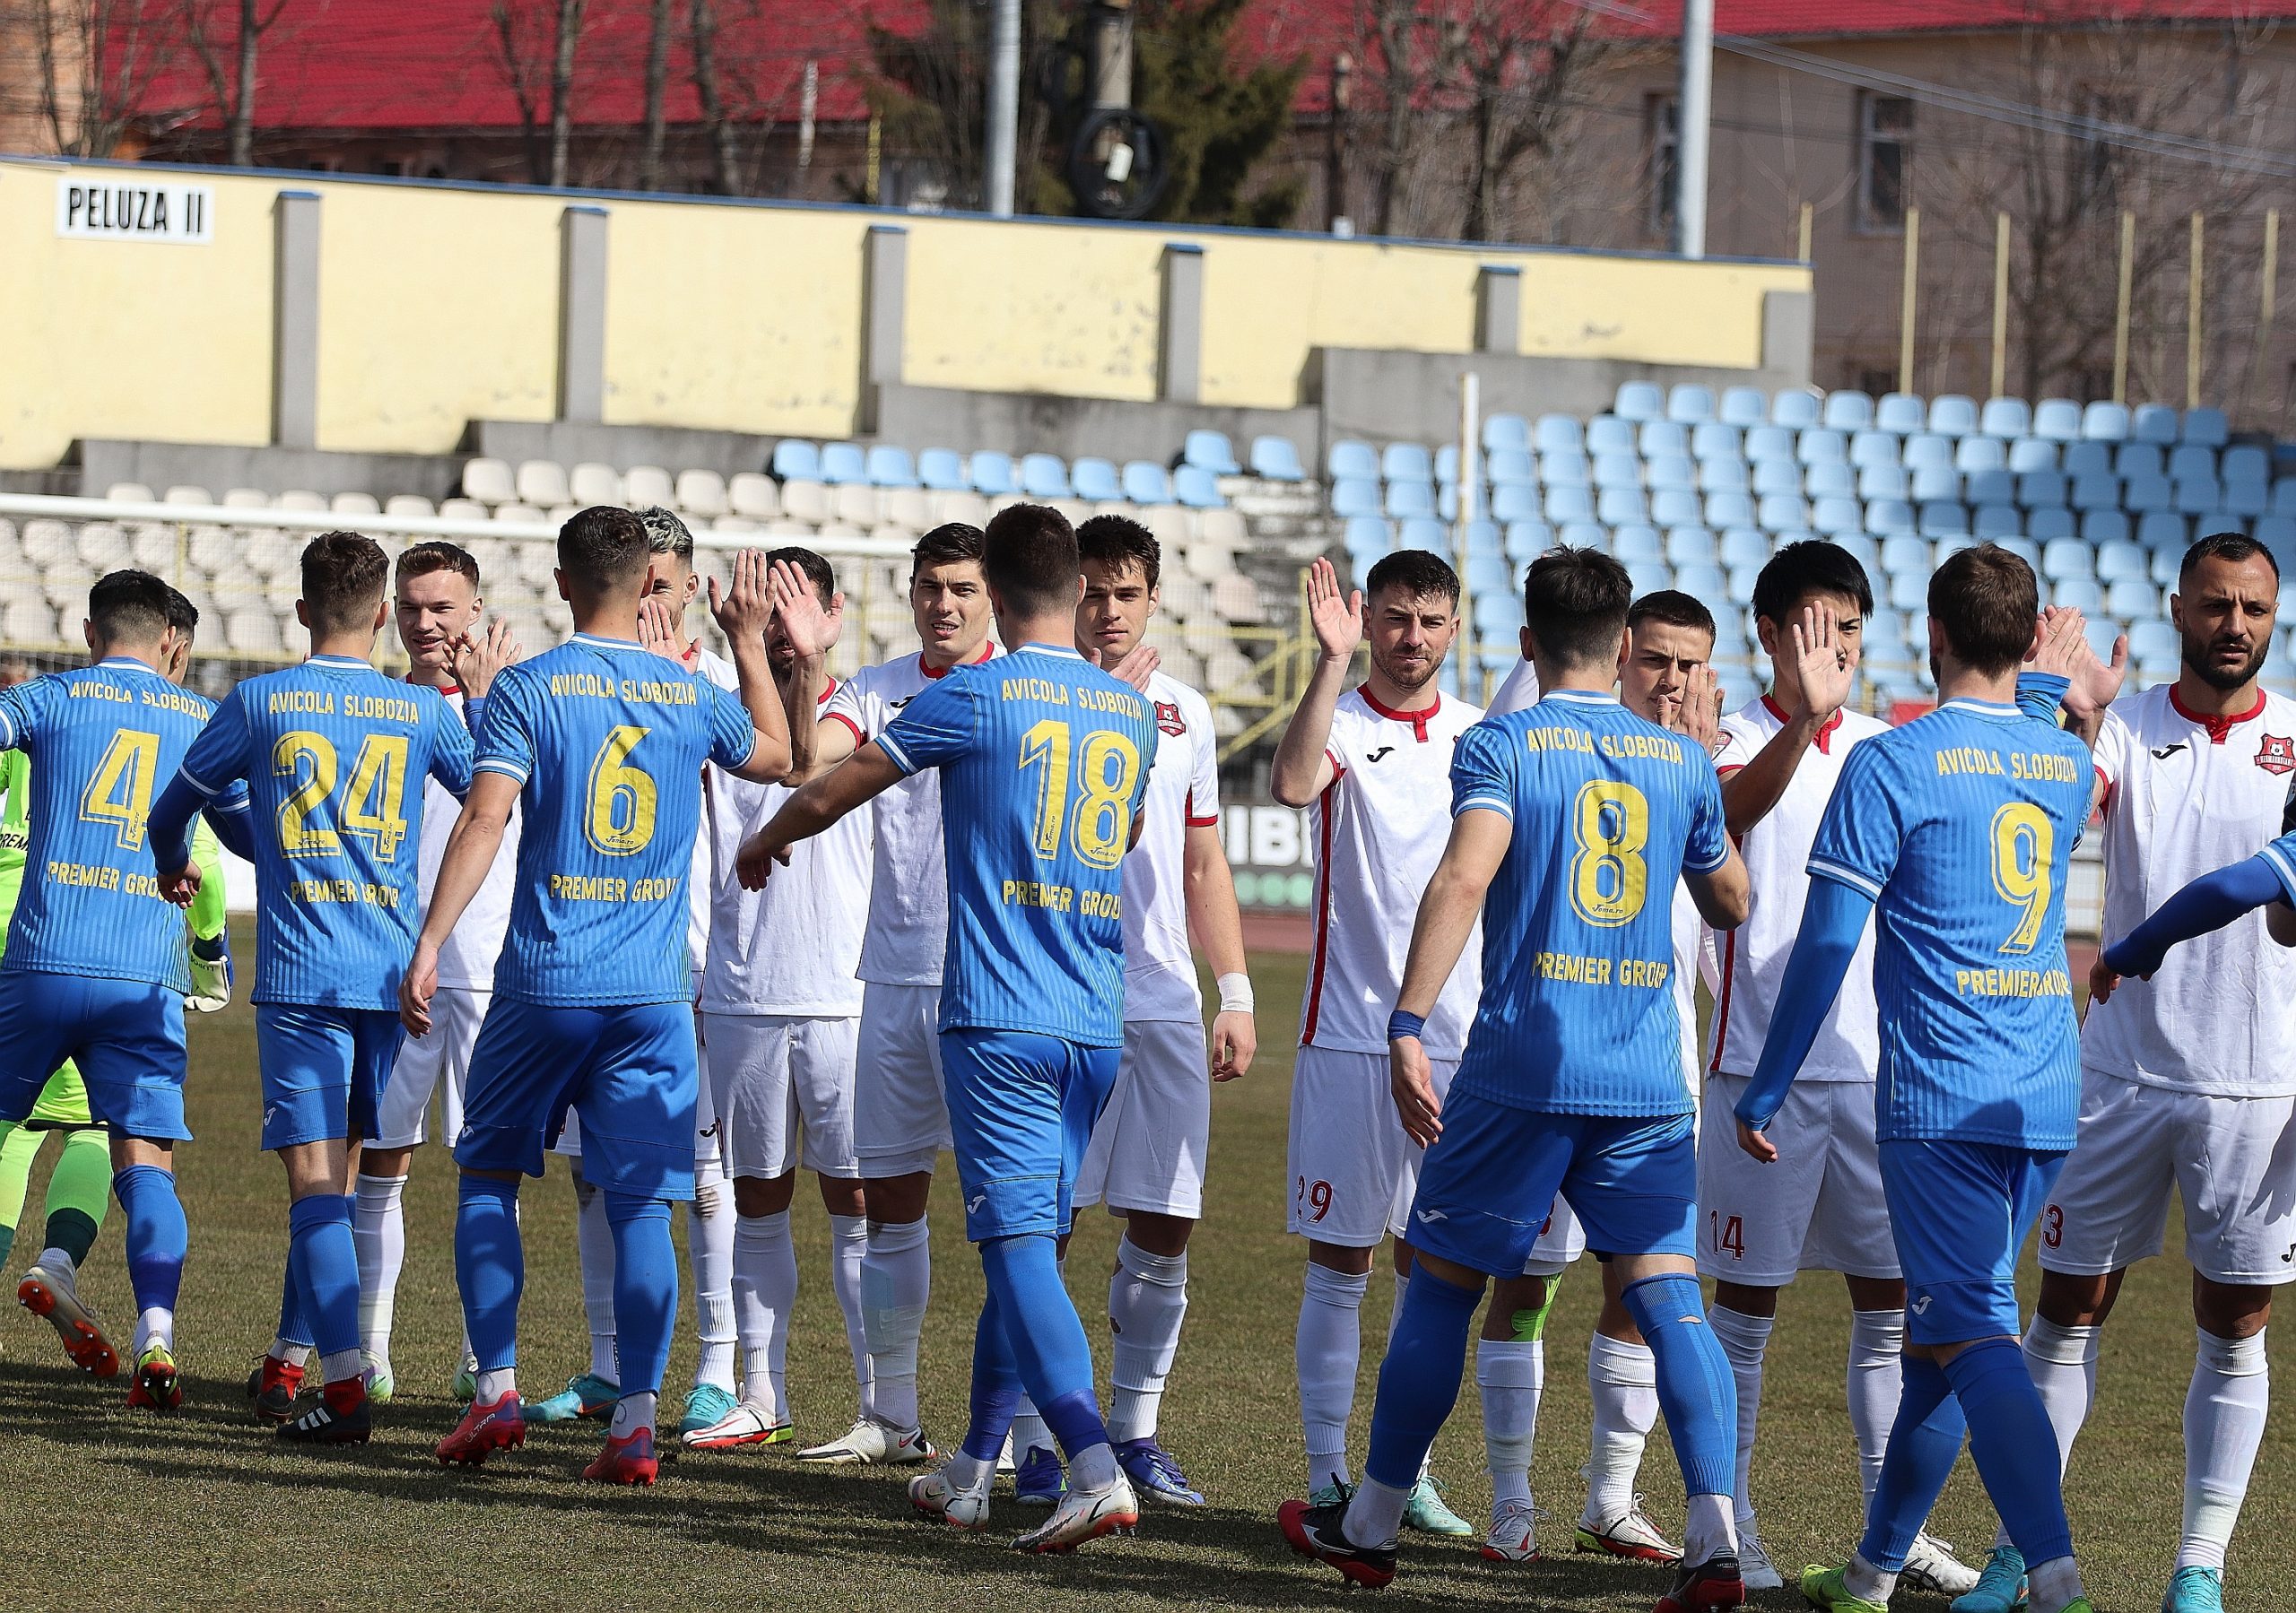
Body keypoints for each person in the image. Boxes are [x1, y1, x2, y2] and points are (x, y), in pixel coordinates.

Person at [1278, 544, 1752, 1613]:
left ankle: (1369, 1520)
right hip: (1643, 1079)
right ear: (1627, 645)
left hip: (1522, 1065)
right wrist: (1697, 781)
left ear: (1528, 642)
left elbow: (1464, 870)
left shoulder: (1501, 740)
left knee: (1443, 1284)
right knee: (1668, 1294)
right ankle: (1714, 1536)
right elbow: (1731, 900)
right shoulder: (1678, 758)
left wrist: (1406, 1018)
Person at [739, 502, 1159, 1552]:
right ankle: (972, 1462)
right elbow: (1129, 827)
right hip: (1094, 1018)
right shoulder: (1131, 712)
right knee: (1034, 1249)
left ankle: (1092, 1461)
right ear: (1073, 587)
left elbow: (836, 786)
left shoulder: (975, 693)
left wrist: (763, 841)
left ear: (1001, 594)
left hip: (1001, 1011)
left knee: (1013, 1248)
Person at [1745, 544, 2097, 1613]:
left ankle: (2054, 1575)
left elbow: (1822, 946)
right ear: (2031, 641)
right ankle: (1869, 1572)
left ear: (1931, 634)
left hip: (1941, 1098)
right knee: (1949, 1338)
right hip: (2043, 1092)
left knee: (1970, 1330)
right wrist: (2048, 691)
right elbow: (2022, 739)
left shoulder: (1890, 763)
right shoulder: (2066, 761)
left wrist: (1765, 1083)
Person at [413, 511, 790, 1485]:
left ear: (563, 582)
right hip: (651, 997)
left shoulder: (529, 686)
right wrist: (748, 641)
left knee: (490, 1175)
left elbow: (486, 819)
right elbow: (778, 756)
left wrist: (430, 941)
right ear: (649, 585)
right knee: (641, 1208)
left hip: (542, 982)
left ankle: (494, 1388)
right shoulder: (687, 690)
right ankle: (633, 1418)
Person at [150, 531, 484, 1446]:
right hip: (387, 977)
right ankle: (294, 1362)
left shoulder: (259, 699)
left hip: (299, 977)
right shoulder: (420, 713)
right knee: (332, 1182)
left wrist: (178, 859)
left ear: (300, 611)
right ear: (383, 614)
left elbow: (174, 805)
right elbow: (491, 796)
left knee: (316, 1189)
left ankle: (342, 1393)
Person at [1693, 541, 1972, 1595]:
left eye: (1849, 629)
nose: (1835, 649)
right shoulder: (1721, 736)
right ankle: (1726, 1522)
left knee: (1891, 1308)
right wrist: (1803, 721)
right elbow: (1718, 823)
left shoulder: (1888, 746)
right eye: (1815, 629)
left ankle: (1888, 1535)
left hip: (1877, 1069)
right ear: (1767, 632)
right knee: (1745, 1309)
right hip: (1756, 1067)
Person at [2021, 533, 2284, 1613]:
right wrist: (2067, 715)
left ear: (2273, 618)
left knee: (2234, 1323)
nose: (2234, 624)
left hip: (2259, 1081)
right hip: (2119, 1072)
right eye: (2216, 604)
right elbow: (2042, 820)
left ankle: (2198, 1566)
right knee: (2066, 1309)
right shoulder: (2124, 724)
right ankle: (2019, 1547)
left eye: (2254, 610)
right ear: (2179, 606)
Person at [1481, 589, 1725, 1565]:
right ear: (1620, 654)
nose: (1671, 681)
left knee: (1637, 1286)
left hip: (1656, 1062)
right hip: (1546, 1056)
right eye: (1656, 660)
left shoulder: (1695, 757)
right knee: (1526, 1279)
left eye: (1688, 665)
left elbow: (1725, 885)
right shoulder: (1544, 729)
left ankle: (1611, 1497)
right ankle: (1510, 1500)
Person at [1268, 551, 1488, 1540]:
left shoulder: (1486, 736)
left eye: (1429, 621)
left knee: (1430, 1269)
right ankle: (1324, 1470)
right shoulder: (1344, 722)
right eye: (1395, 618)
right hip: (1351, 1036)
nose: (1411, 638)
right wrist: (1328, 662)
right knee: (1340, 1261)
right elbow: (1286, 781)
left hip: (1460, 1044)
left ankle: (1404, 1474)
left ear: (1454, 626)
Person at [770, 522, 1000, 1466]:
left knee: (1012, 1218)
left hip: (994, 984)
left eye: (961, 587)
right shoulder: (875, 686)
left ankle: (1020, 1433)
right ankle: (892, 1413)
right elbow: (804, 760)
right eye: (927, 586)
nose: (941, 603)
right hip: (893, 980)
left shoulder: (1017, 685)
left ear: (991, 597)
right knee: (888, 1204)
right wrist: (807, 664)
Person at [0, 570, 253, 1413]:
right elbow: (248, 835)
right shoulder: (201, 720)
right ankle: (157, 1335)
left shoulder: (46, 699)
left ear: (87, 630)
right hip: (142, 979)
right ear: (172, 642)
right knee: (147, 1168)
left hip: (40, 963)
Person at [1046, 513, 1257, 1508]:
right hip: (1055, 988)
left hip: (1166, 995)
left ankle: (1133, 1430)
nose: (1109, 609)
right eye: (1092, 590)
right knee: (1045, 1218)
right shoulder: (1039, 690)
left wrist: (1237, 988)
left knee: (1166, 1219)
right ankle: (1040, 1430)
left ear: (1154, 598)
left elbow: (1201, 856)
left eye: (1126, 592)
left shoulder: (1187, 711)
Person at [530, 507, 744, 1440]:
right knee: (592, 1171)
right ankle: (613, 1364)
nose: (648, 598)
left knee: (695, 1174)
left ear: (689, 588)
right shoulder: (580, 677)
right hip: (595, 959)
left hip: (692, 957)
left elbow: (757, 787)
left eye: (664, 583)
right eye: (639, 582)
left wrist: (680, 684)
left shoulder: (720, 686)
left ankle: (714, 1368)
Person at [681, 544, 877, 1451]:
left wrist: (770, 654)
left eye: (801, 611)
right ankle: (761, 1393)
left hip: (845, 995)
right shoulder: (722, 714)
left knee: (858, 1204)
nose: (786, 630)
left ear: (833, 615)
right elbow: (766, 763)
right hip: (744, 989)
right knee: (757, 1196)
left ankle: (884, 1405)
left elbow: (806, 768)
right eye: (770, 612)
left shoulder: (871, 707)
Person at [352, 541, 521, 1409]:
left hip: (492, 969)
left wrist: (489, 699)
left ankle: (478, 1354)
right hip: (392, 965)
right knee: (380, 1160)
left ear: (475, 610)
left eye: (442, 608)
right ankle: (371, 1349)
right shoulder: (376, 704)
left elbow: (515, 804)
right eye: (411, 607)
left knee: (487, 1166)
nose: (425, 623)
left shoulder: (517, 698)